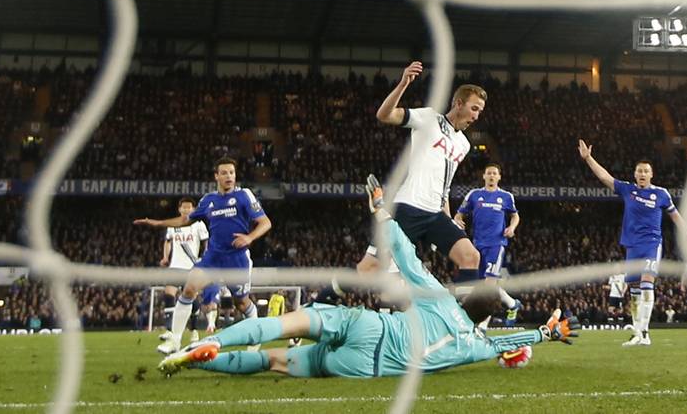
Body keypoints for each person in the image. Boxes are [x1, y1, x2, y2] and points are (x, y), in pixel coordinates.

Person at [159, 176, 580, 378]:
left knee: (280, 325)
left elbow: (407, 256)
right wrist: (545, 335)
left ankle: (209, 342)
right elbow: (503, 343)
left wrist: (381, 210)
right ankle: (206, 363)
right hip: (364, 365)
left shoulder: (439, 297)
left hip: (368, 326)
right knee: (272, 361)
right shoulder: (475, 345)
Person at [355, 62, 484, 289]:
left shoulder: (463, 144)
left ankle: (465, 320)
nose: (477, 115)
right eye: (474, 108)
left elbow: (444, 187)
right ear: (458, 103)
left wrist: (450, 218)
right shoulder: (428, 119)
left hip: (435, 214)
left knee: (470, 257)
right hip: (408, 208)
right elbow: (384, 115)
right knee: (368, 270)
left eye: (480, 111)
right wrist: (403, 83)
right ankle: (325, 301)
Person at [135, 156, 272, 354]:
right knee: (189, 288)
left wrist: (250, 237)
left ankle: (256, 335)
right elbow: (184, 221)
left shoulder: (244, 196)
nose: (229, 176)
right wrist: (157, 223)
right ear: (216, 176)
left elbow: (265, 222)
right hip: (212, 258)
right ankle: (175, 340)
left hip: (237, 259)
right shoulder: (208, 201)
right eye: (224, 173)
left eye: (232, 173)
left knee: (241, 302)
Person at [577, 139, 687, 347]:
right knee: (633, 291)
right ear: (635, 174)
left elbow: (677, 217)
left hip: (651, 244)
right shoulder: (628, 190)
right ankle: (636, 332)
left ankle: (644, 332)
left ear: (651, 174)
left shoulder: (661, 194)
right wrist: (588, 158)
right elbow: (605, 177)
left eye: (646, 171)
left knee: (647, 285)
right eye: (639, 171)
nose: (642, 174)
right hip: (631, 246)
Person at [454, 163, 522, 326]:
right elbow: (459, 214)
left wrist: (511, 228)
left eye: (494, 173)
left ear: (499, 177)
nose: (491, 176)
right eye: (489, 173)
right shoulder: (474, 195)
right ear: (484, 176)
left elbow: (515, 216)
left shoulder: (506, 197)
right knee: (480, 285)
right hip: (476, 246)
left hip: (496, 245)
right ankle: (512, 304)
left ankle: (482, 327)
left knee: (488, 285)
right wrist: (457, 220)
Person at [158, 197, 210, 348]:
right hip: (175, 265)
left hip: (191, 266)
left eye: (189, 207)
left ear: (194, 209)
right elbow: (168, 241)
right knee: (168, 293)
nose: (186, 210)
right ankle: (169, 329)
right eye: (184, 207)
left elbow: (206, 241)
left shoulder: (198, 224)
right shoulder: (173, 225)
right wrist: (165, 257)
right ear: (179, 209)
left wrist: (205, 257)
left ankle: (194, 330)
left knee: (191, 298)